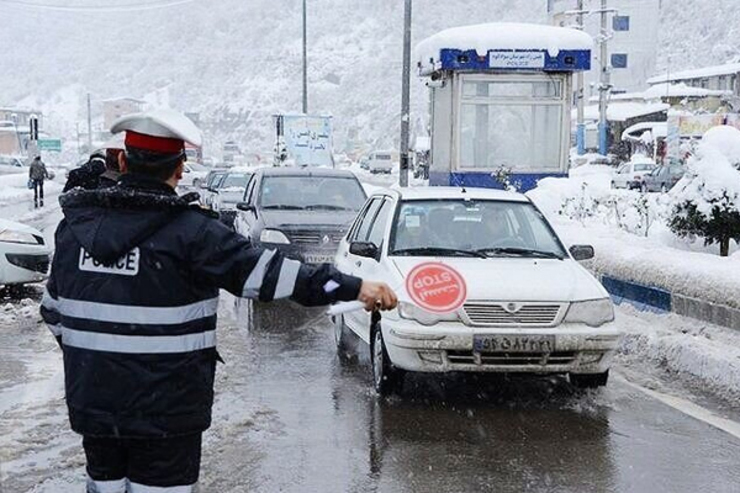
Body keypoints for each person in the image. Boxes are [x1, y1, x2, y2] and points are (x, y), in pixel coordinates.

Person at [40, 108, 397, 493]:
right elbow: (279, 278)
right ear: (179, 169)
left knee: (104, 487)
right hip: (167, 413)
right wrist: (353, 288)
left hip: (95, 408)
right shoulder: (194, 235)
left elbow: (53, 312)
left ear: (123, 161)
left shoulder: (75, 231)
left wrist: (102, 361)